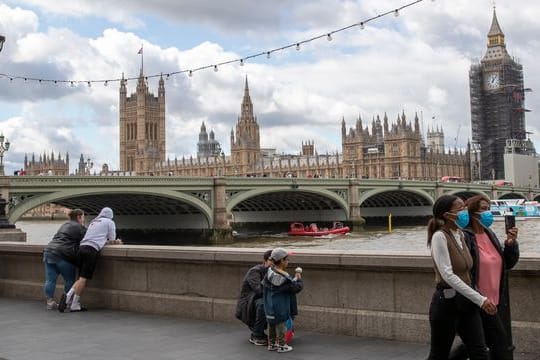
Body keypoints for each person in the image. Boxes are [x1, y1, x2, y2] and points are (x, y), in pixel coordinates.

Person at [426, 194, 497, 360]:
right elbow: (447, 274)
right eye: (460, 209)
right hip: (446, 304)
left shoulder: (462, 235)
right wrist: (481, 299)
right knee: (439, 354)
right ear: (447, 215)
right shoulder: (439, 237)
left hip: (467, 303)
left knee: (479, 351)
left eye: (465, 208)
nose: (464, 212)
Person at [449, 195, 519, 360]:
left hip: (494, 301)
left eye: (489, 209)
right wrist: (477, 296)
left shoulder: (490, 234)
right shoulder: (465, 237)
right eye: (483, 209)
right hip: (477, 300)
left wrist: (510, 244)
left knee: (477, 344)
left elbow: (507, 264)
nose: (488, 213)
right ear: (471, 213)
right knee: (499, 343)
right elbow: (462, 270)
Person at [58, 207, 122, 312]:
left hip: (81, 249)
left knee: (81, 279)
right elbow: (112, 239)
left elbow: (95, 237)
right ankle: (67, 297)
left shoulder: (93, 221)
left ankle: (75, 304)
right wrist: (117, 242)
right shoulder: (109, 222)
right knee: (83, 279)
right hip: (90, 251)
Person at [42, 209, 86, 310]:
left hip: (49, 251)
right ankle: (67, 302)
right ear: (79, 217)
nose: (83, 219)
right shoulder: (80, 227)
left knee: (50, 280)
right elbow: (88, 239)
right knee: (69, 280)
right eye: (83, 217)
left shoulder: (64, 225)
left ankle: (50, 302)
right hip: (63, 255)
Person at [262, 248, 303, 353]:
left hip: (269, 305)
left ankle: (271, 344)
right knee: (281, 325)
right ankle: (282, 345)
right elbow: (295, 288)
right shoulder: (284, 277)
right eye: (287, 259)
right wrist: (298, 278)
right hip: (280, 306)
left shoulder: (269, 273)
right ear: (281, 261)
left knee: (271, 324)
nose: (288, 261)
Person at [235, 249, 273, 346]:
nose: (273, 262)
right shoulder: (255, 271)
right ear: (265, 260)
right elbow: (259, 290)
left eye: (275, 260)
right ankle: (257, 335)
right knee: (263, 305)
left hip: (257, 300)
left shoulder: (274, 272)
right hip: (248, 302)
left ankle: (262, 333)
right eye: (271, 260)